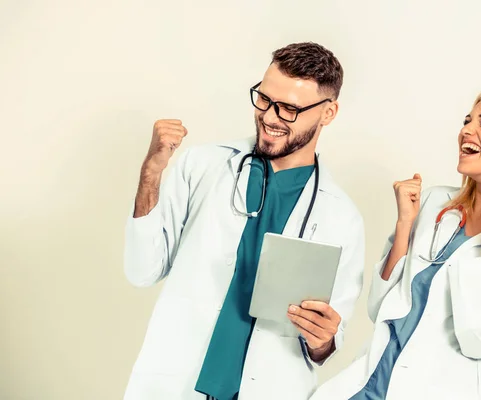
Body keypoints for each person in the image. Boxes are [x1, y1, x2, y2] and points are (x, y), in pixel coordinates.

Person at [122, 42, 365, 400]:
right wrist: (151, 174)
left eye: (289, 109)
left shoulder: (342, 217)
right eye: (264, 99)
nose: (269, 117)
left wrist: (323, 337)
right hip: (175, 381)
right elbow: (141, 271)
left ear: (328, 113)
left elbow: (325, 347)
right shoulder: (202, 166)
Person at [309, 90, 481, 400]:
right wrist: (405, 225)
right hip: (366, 385)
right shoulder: (437, 203)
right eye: (467, 120)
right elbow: (379, 308)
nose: (466, 130)